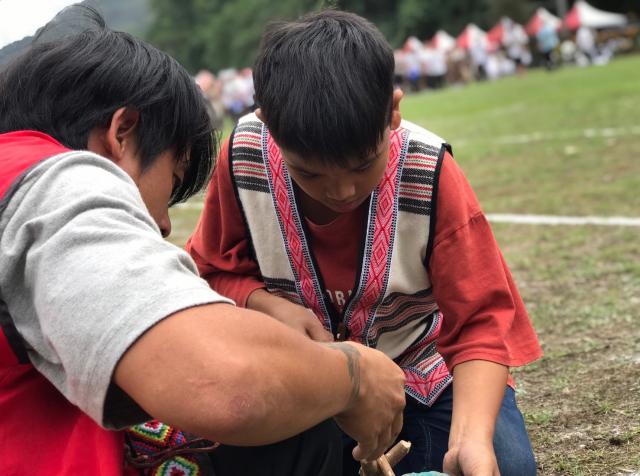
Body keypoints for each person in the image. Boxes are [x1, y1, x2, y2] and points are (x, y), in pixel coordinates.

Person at [0, 7, 406, 475]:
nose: (163, 225)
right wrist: (353, 375)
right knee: (299, 417)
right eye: (172, 181)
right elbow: (222, 382)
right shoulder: (52, 186)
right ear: (122, 133)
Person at [186, 9, 543, 476]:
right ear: (268, 123)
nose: (341, 192)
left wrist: (468, 440)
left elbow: (481, 320)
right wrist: (267, 305)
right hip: (302, 377)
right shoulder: (243, 159)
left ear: (393, 111)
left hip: (420, 371)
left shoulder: (428, 173)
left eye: (362, 164)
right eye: (310, 173)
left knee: (504, 465)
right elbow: (209, 271)